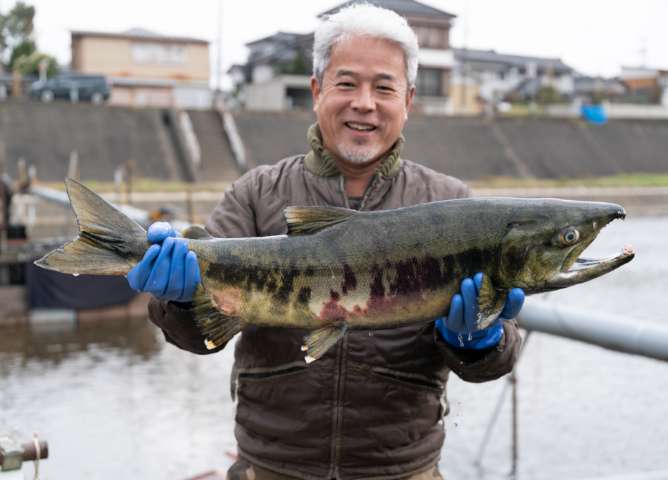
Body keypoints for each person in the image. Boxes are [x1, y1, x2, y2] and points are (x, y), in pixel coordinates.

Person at [128, 4, 524, 479]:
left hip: (402, 469)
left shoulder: (449, 203)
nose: (364, 102)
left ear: (408, 101)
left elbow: (490, 364)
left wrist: (479, 340)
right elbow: (200, 337)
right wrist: (179, 304)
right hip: (271, 466)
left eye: (383, 87)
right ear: (317, 90)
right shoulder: (258, 194)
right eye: (346, 83)